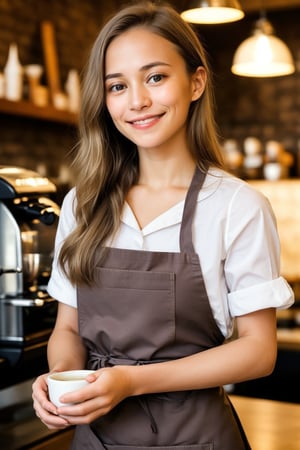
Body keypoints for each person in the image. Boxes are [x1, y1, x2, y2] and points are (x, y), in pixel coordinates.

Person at [32, 2, 294, 449]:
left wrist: (131, 382)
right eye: (118, 85)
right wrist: (62, 381)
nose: (137, 101)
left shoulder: (236, 206)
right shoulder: (83, 203)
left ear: (196, 82)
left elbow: (259, 350)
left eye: (155, 77)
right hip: (96, 440)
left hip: (198, 438)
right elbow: (69, 329)